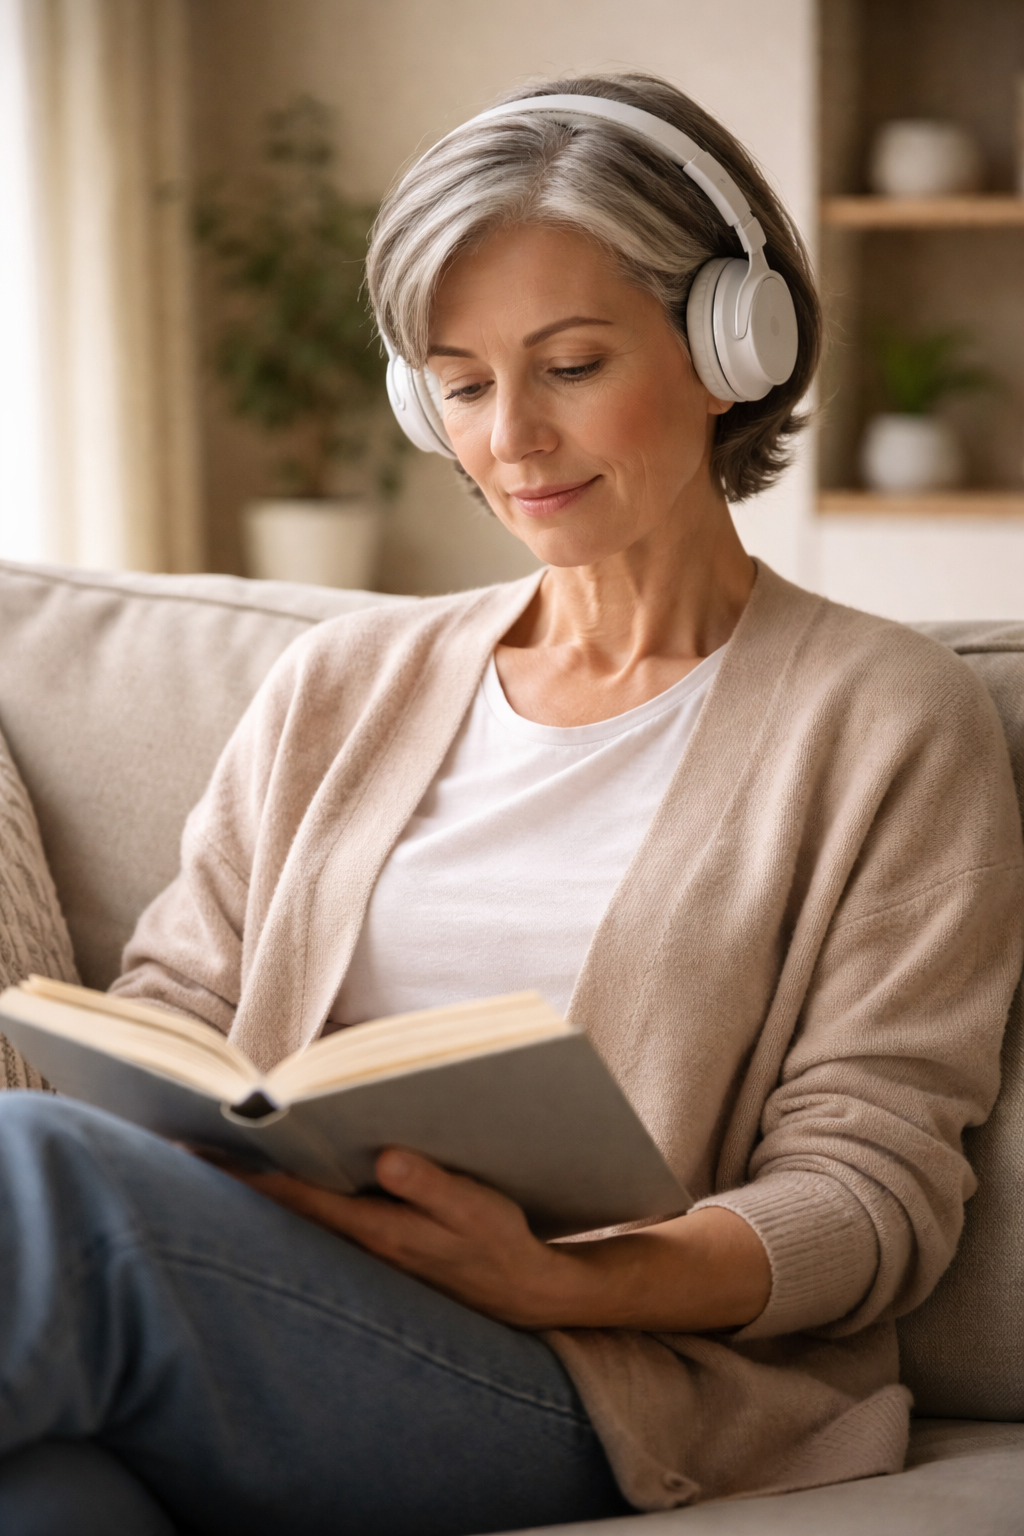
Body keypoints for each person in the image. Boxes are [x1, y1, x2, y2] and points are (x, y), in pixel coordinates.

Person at [0, 71, 1021, 1536]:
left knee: (31, 1171)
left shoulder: (883, 719)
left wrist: (561, 1276)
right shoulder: (339, 684)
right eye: (464, 386)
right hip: (283, 1300)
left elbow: (873, 1191)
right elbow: (173, 999)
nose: (513, 441)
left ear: (740, 339)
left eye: (572, 364)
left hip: (596, 1369)